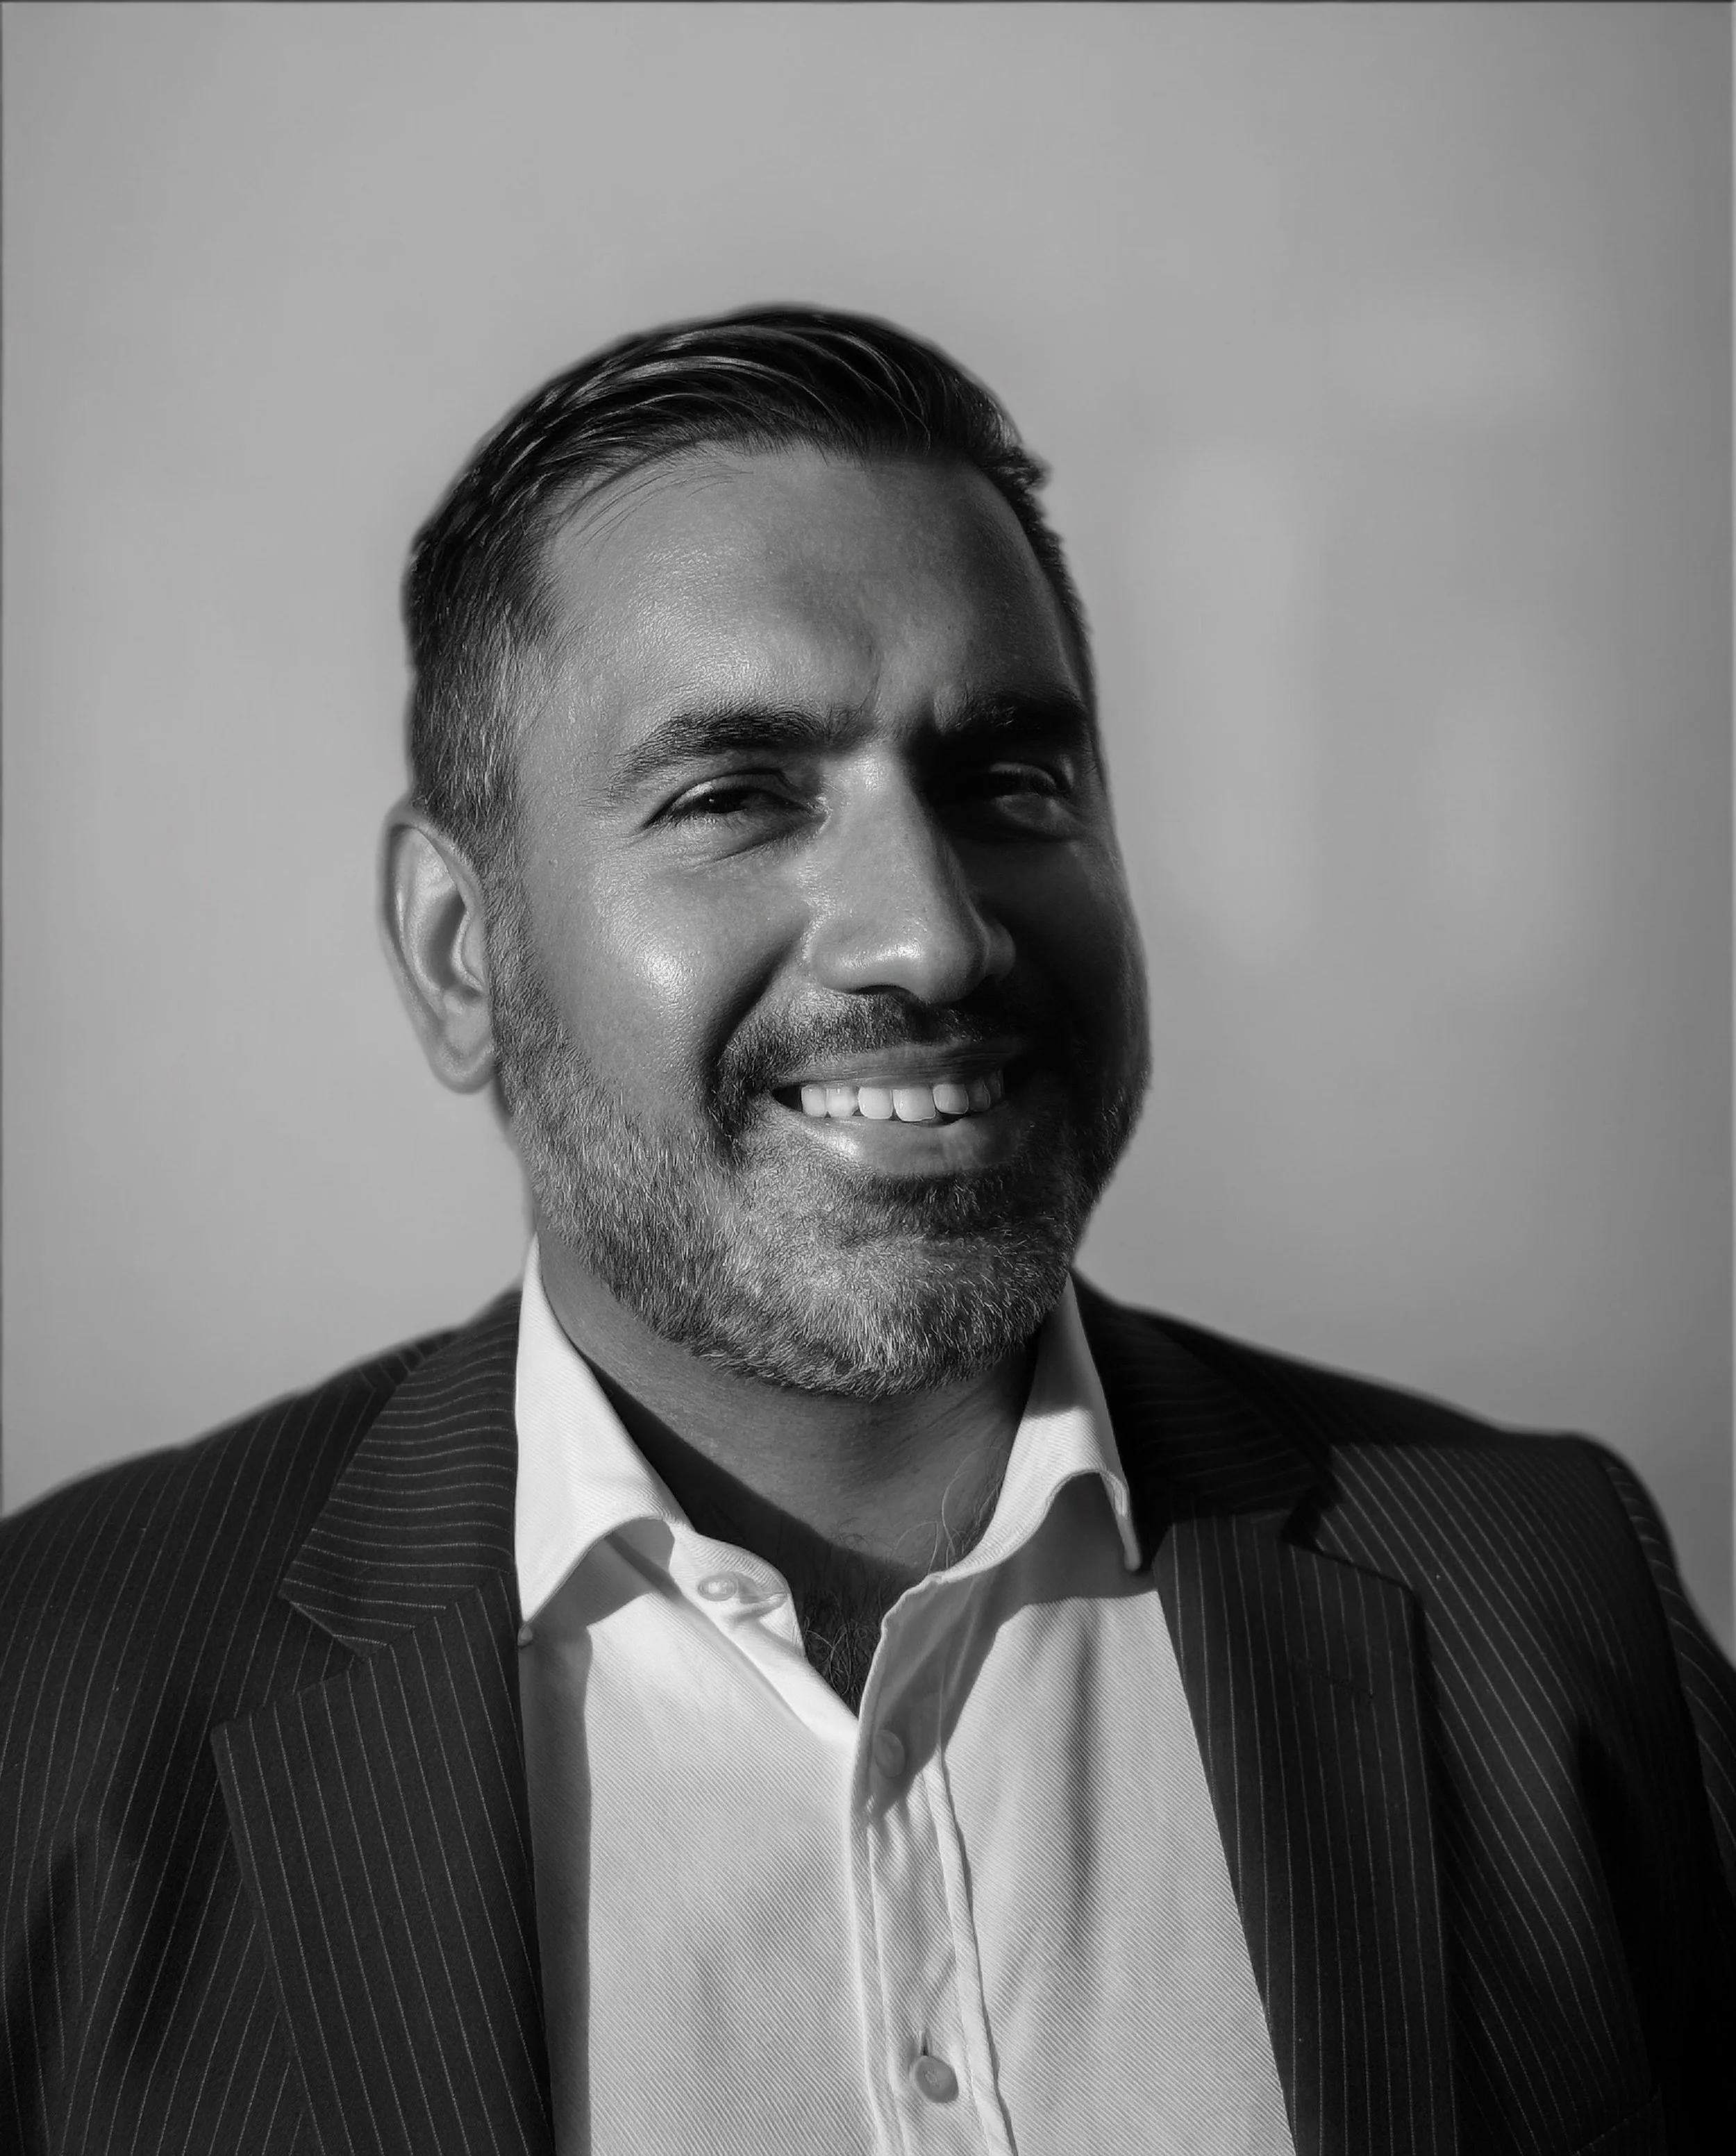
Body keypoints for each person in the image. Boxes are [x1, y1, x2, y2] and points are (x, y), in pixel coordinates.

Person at [2, 306, 1732, 2156]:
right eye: (732, 797)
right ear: (458, 954)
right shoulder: (56, 1702)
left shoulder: (1542, 1604)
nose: (933, 935)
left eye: (1010, 783)